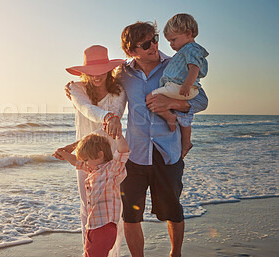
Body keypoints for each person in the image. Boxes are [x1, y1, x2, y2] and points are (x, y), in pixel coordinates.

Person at [116, 20, 208, 257]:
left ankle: (174, 254)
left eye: (155, 39)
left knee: (173, 210)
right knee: (131, 214)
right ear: (131, 51)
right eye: (145, 44)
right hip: (134, 155)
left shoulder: (176, 65)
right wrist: (77, 88)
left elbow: (201, 101)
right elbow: (101, 92)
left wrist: (172, 103)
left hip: (168, 153)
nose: (154, 45)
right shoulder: (123, 74)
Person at [53, 45, 127, 256]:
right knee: (88, 206)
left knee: (114, 210)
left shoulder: (119, 92)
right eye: (92, 72)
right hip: (85, 155)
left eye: (102, 70)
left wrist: (75, 145)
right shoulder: (76, 88)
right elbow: (87, 109)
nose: (97, 76)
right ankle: (89, 252)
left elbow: (111, 122)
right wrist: (78, 147)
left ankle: (112, 254)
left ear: (109, 69)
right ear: (84, 72)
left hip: (110, 156)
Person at [56, 133, 130, 257]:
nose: (85, 163)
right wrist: (63, 153)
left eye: (86, 160)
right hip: (93, 225)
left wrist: (118, 135)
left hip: (104, 227)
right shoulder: (93, 170)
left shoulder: (111, 170)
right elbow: (75, 161)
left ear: (100, 155)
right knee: (89, 253)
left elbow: (123, 151)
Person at [151, 13, 209, 158]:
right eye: (169, 41)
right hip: (182, 88)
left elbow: (194, 67)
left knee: (151, 98)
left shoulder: (191, 48)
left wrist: (187, 85)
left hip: (182, 88)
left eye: (173, 40)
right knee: (183, 117)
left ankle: (168, 117)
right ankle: (186, 142)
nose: (171, 44)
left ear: (189, 33)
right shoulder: (186, 50)